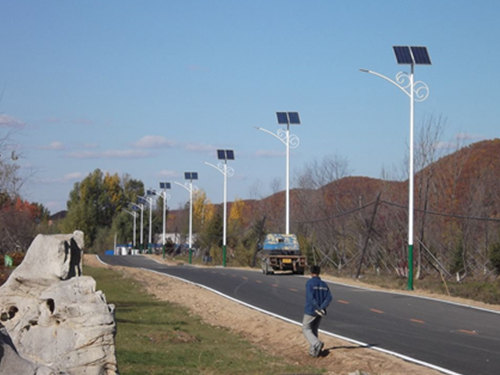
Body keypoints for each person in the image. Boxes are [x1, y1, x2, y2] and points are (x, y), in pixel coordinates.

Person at [302, 264, 332, 357]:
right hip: (320, 311)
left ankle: (316, 344)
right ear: (319, 273)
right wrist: (322, 307)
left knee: (306, 328)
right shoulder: (324, 284)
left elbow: (310, 298)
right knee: (314, 329)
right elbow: (329, 297)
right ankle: (314, 351)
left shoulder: (310, 283)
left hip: (311, 310)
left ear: (311, 273)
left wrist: (317, 307)